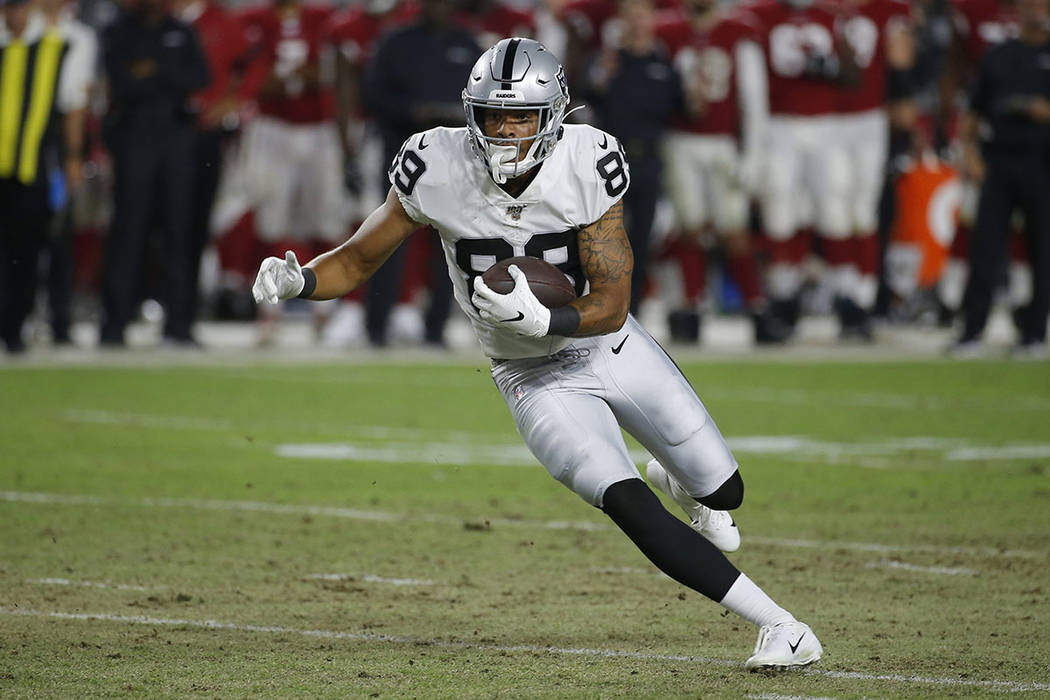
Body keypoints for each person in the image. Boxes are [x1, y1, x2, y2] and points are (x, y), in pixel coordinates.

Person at [252, 37, 823, 669]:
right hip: (529, 375)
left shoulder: (588, 159)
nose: (504, 129)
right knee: (624, 498)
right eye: (493, 114)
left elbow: (611, 298)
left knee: (727, 494)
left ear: (552, 117)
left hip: (610, 344)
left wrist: (546, 316)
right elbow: (358, 260)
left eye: (521, 115)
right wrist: (300, 281)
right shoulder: (435, 164)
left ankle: (686, 487)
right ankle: (781, 626)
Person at [98, 0, 209, 347]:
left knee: (181, 235)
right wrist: (162, 76)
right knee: (128, 233)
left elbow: (200, 77)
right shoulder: (119, 31)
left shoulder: (181, 30)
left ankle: (179, 325)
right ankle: (114, 324)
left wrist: (153, 69)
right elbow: (120, 81)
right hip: (134, 140)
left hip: (176, 142)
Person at [950, 0, 1050, 357]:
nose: (1037, 9)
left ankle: (1035, 334)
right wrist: (970, 154)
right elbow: (973, 111)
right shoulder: (999, 55)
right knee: (985, 249)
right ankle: (972, 331)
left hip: (1042, 162)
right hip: (1000, 159)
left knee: (1042, 251)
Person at [0, 0, 83, 353]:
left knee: (25, 250)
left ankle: (14, 326)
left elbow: (71, 107)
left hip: (31, 168)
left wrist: (73, 158)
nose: (13, 13)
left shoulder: (57, 46)